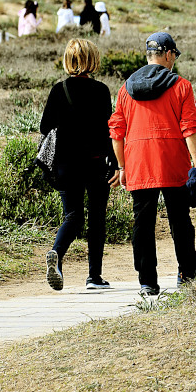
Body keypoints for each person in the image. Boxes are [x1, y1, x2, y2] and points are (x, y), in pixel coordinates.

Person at [108, 32, 196, 296]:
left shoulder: (126, 88)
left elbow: (116, 132)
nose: (175, 59)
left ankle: (147, 281)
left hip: (139, 162)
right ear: (169, 54)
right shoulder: (182, 86)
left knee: (143, 222)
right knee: (180, 219)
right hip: (172, 161)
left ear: (148, 55)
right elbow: (190, 129)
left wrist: (122, 166)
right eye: (175, 54)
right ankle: (187, 271)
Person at [40, 38, 119, 292]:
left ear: (68, 60)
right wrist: (116, 164)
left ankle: (56, 253)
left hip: (65, 164)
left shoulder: (58, 89)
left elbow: (45, 128)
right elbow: (110, 131)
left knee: (72, 216)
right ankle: (94, 277)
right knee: (97, 219)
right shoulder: (101, 90)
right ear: (92, 60)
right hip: (96, 164)